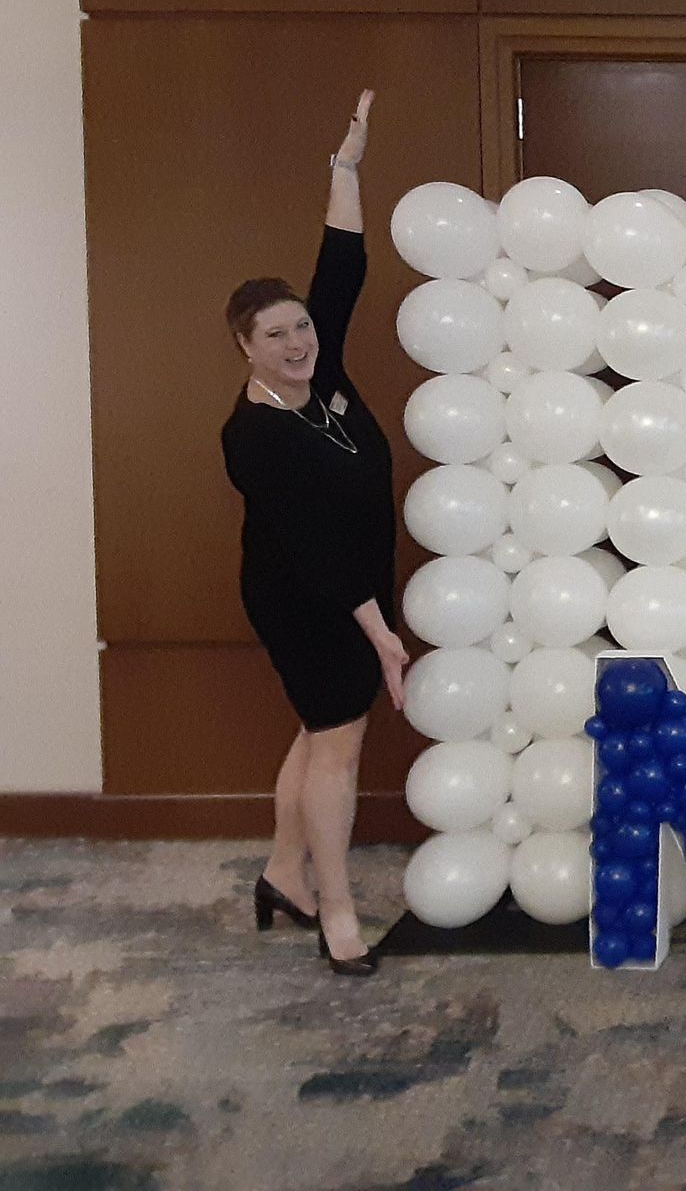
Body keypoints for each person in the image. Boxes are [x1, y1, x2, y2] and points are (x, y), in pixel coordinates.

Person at [221, 91, 403, 976]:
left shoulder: (322, 366)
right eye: (276, 335)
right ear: (245, 348)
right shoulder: (252, 433)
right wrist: (380, 633)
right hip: (308, 598)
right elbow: (314, 552)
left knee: (317, 732)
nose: (296, 342)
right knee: (339, 745)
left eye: (300, 327)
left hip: (358, 583)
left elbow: (343, 267)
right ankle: (336, 911)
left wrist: (347, 169)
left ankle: (282, 873)